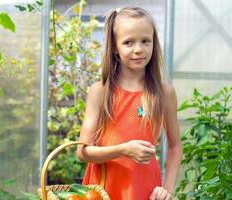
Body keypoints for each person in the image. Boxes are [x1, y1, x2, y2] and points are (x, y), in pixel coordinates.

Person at [76, 6, 182, 200]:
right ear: (115, 47)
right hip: (103, 190)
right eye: (128, 42)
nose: (138, 49)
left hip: (145, 188)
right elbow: (82, 152)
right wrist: (123, 150)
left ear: (154, 43)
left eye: (145, 41)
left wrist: (167, 188)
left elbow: (175, 147)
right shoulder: (100, 91)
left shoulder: (164, 92)